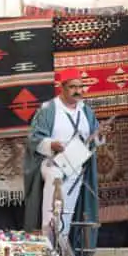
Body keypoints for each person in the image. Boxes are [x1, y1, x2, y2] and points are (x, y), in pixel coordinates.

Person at [23, 68, 102, 244]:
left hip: (75, 165)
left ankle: (62, 245)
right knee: (54, 201)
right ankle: (48, 244)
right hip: (53, 164)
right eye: (73, 87)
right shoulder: (49, 109)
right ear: (62, 87)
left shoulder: (86, 111)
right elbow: (34, 138)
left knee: (69, 210)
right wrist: (52, 144)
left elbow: (94, 138)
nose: (78, 91)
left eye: (81, 87)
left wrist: (99, 136)